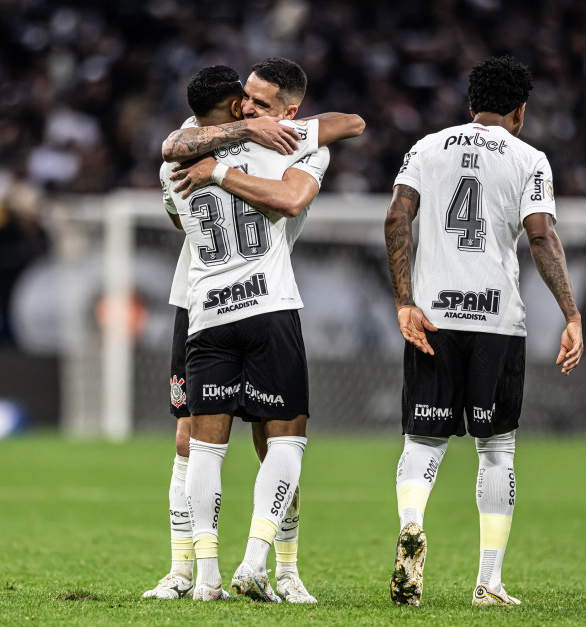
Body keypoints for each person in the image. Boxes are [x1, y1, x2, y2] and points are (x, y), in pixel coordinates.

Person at [146, 61, 363, 603]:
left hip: (230, 299)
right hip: (199, 297)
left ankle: (281, 570)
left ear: (289, 112)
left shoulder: (288, 142)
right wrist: (244, 133)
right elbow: (352, 122)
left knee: (271, 444)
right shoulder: (217, 137)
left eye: (261, 104)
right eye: (244, 99)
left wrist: (221, 166)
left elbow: (344, 129)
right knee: (190, 437)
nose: (249, 109)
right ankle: (185, 571)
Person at [383, 56, 583, 608]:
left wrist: (404, 302)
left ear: (470, 104)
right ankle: (488, 582)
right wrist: (571, 314)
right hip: (496, 321)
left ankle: (411, 521)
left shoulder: (426, 147)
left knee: (422, 441)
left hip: (433, 318)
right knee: (497, 448)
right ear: (519, 110)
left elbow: (397, 219)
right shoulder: (530, 158)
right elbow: (541, 239)